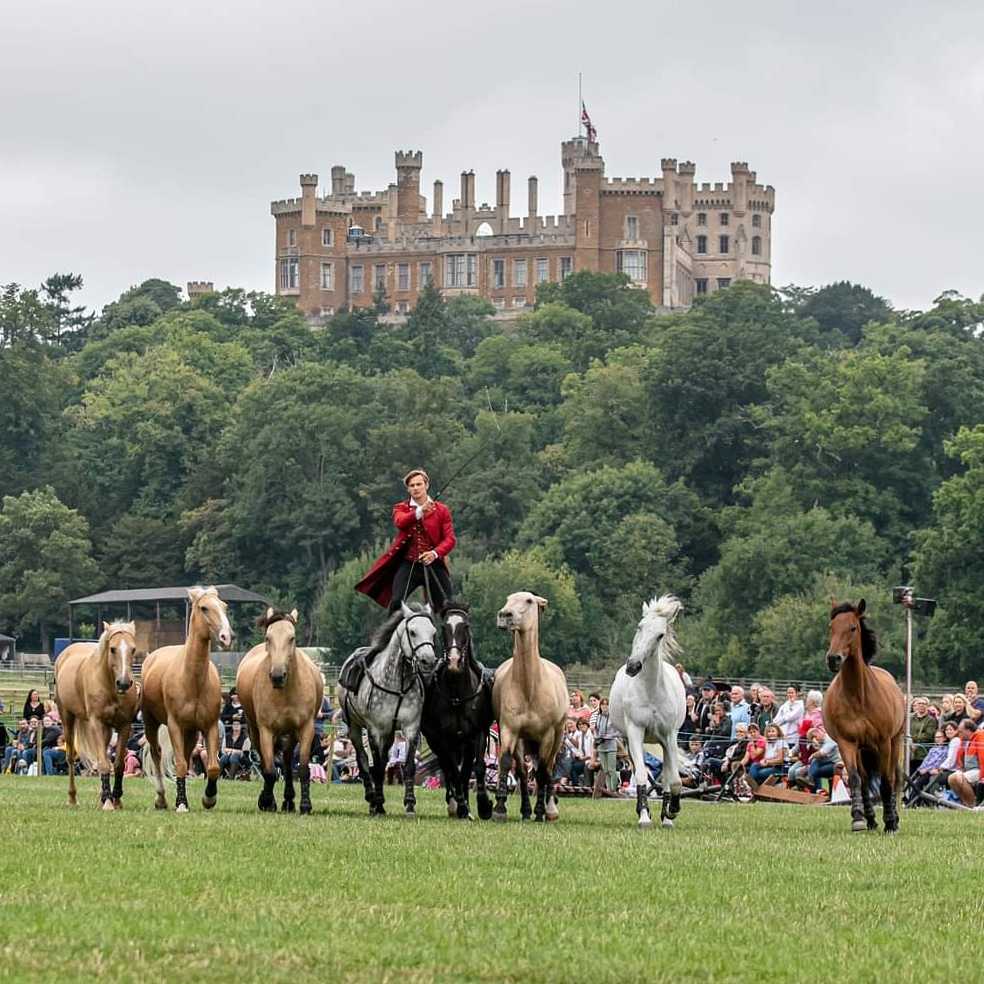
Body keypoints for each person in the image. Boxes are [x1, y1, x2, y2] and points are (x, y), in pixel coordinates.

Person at [355, 468, 456, 613]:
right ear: (408, 489)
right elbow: (400, 522)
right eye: (412, 485)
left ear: (426, 485)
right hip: (410, 564)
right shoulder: (400, 508)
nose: (415, 488)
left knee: (449, 606)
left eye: (419, 484)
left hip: (434, 564)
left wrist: (434, 553)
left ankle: (451, 636)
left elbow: (450, 539)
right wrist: (420, 510)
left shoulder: (442, 510)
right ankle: (389, 635)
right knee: (396, 604)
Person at [947, 719, 984, 808]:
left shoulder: (980, 736)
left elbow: (983, 759)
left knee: (960, 778)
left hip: (979, 769)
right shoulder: (965, 740)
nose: (959, 734)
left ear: (968, 730)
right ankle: (965, 804)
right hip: (970, 770)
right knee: (951, 778)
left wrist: (982, 777)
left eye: (961, 731)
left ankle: (973, 805)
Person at [592, 697, 621, 793]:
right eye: (603, 704)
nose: (605, 706)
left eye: (607, 704)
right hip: (601, 745)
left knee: (611, 768)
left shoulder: (613, 717)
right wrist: (596, 735)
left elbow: (619, 732)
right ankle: (609, 790)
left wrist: (610, 736)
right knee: (605, 769)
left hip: (611, 745)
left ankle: (614, 789)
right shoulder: (598, 717)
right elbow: (596, 729)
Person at [909, 697, 937, 776]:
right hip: (909, 751)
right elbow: (905, 731)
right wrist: (909, 740)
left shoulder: (930, 720)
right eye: (919, 704)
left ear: (927, 706)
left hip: (922, 752)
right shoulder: (910, 718)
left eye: (923, 704)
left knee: (919, 774)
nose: (921, 705)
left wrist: (911, 738)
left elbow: (928, 735)